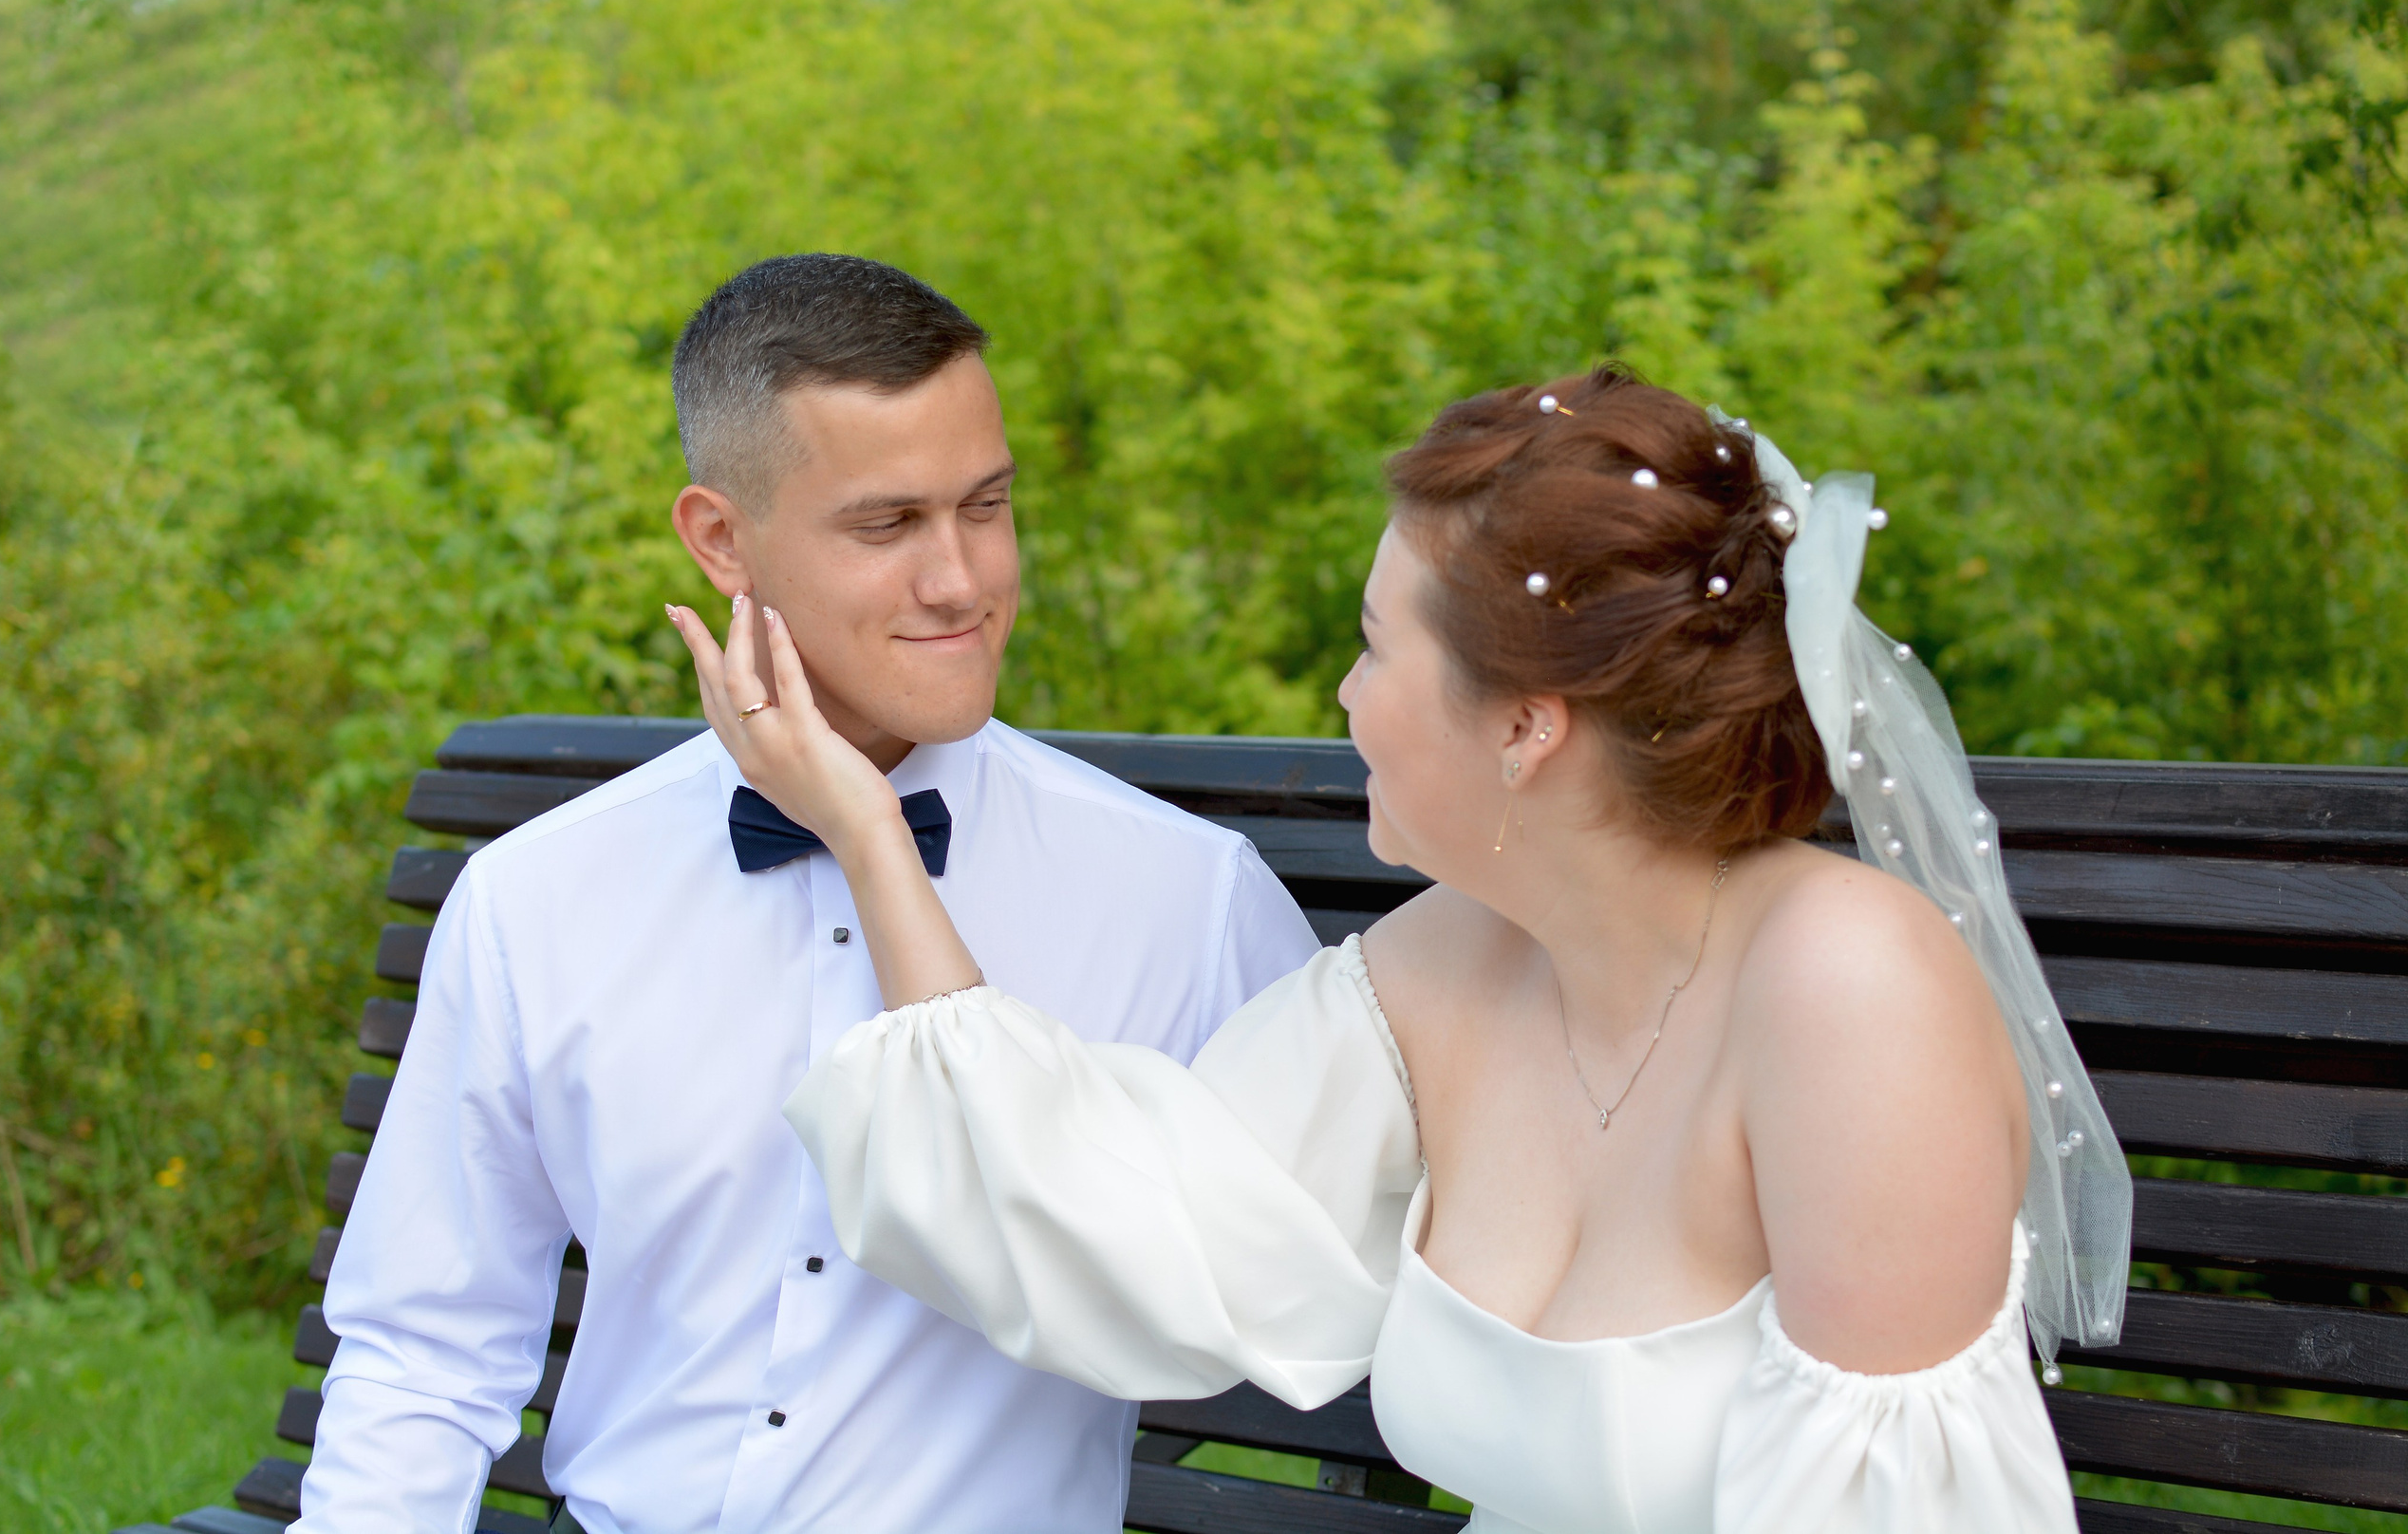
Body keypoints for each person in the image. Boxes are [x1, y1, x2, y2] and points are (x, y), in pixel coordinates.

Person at [676, 366, 2134, 1532]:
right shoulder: (1452, 965)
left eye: (1377, 646)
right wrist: (870, 835)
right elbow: (1122, 1227)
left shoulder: (1848, 995)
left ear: (1524, 727)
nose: (1344, 691)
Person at [297, 254, 1321, 1534]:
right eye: (887, 526)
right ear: (721, 538)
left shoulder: (1181, 900)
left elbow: (1306, 1267)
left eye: (987, 506)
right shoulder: (538, 899)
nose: (961, 581)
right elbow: (426, 1348)